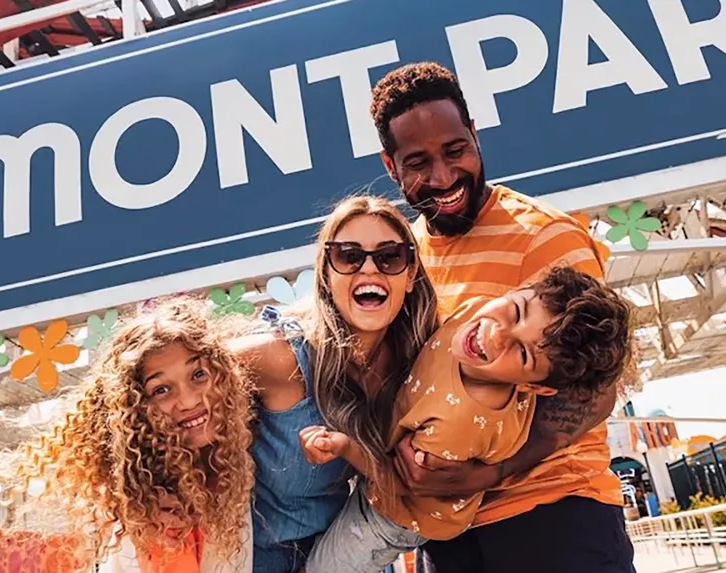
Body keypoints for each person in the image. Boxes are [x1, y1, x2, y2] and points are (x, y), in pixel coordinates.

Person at [370, 61, 638, 571]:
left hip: (557, 518)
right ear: (390, 165)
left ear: (474, 134)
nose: (444, 177)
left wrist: (490, 474)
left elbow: (598, 387)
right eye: (418, 162)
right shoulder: (406, 258)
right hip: (450, 533)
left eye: (455, 151)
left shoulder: (546, 237)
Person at [300, 266, 635, 572]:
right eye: (516, 310)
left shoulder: (460, 423)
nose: (496, 334)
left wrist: (347, 447)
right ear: (519, 288)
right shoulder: (473, 313)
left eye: (521, 353)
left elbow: (404, 482)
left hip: (395, 513)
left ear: (533, 386)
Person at [231, 195, 439, 573]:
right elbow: (178, 376)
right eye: (348, 256)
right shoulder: (282, 358)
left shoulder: (419, 369)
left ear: (410, 276)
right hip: (257, 560)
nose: (370, 269)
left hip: (350, 558)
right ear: (327, 275)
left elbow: (413, 492)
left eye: (389, 256)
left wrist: (350, 449)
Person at [1, 298, 256, 573]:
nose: (188, 400)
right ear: (136, 408)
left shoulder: (232, 457)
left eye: (198, 375)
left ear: (223, 376)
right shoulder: (154, 506)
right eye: (161, 390)